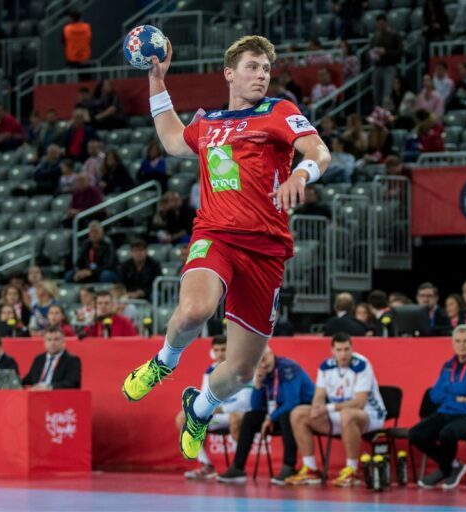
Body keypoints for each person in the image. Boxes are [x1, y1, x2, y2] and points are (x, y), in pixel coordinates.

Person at [121, 35, 331, 465]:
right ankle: (164, 362)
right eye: (252, 67)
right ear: (229, 73)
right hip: (215, 234)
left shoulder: (278, 111)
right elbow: (173, 141)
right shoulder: (210, 122)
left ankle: (199, 408)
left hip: (266, 250)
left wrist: (301, 175)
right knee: (195, 311)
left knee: (239, 372)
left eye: (266, 69)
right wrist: (157, 80)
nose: (261, 75)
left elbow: (318, 151)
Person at [285, 333, 386, 487]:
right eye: (339, 350)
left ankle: (352, 470)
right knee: (298, 413)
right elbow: (319, 395)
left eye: (346, 349)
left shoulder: (362, 365)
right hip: (339, 415)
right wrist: (316, 408)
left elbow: (359, 403)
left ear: (352, 348)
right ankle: (310, 469)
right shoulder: (326, 367)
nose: (343, 354)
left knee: (347, 415)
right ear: (332, 350)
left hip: (370, 416)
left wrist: (327, 408)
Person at [218, 347, 315, 484]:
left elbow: (292, 402)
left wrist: (270, 418)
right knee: (250, 417)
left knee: (286, 415)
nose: (262, 365)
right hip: (278, 411)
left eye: (264, 359)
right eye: (259, 362)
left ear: (271, 354)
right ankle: (238, 468)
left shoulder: (288, 368)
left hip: (303, 411)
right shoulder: (262, 372)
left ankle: (289, 467)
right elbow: (256, 407)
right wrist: (257, 386)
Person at [412, 325, 466, 490]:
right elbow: (435, 395)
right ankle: (452, 465)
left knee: (447, 433)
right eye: (458, 341)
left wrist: (449, 389)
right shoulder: (448, 365)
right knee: (416, 433)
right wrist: (455, 395)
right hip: (447, 411)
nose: (462, 345)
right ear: (452, 343)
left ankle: (444, 469)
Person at [181, 336, 253, 480]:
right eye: (216, 350)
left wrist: (221, 410)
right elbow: (204, 396)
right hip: (218, 416)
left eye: (223, 349)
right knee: (184, 418)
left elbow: (245, 402)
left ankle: (237, 467)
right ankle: (206, 465)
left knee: (235, 418)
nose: (219, 354)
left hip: (238, 414)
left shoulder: (243, 368)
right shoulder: (210, 371)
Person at [369, 14, 403, 110]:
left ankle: (387, 114)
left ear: (386, 23)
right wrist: (372, 55)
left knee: (387, 95)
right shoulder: (375, 37)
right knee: (376, 95)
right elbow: (371, 49)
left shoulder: (394, 35)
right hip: (377, 67)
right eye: (378, 24)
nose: (380, 26)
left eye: (382, 24)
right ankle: (377, 114)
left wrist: (386, 52)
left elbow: (400, 52)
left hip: (389, 67)